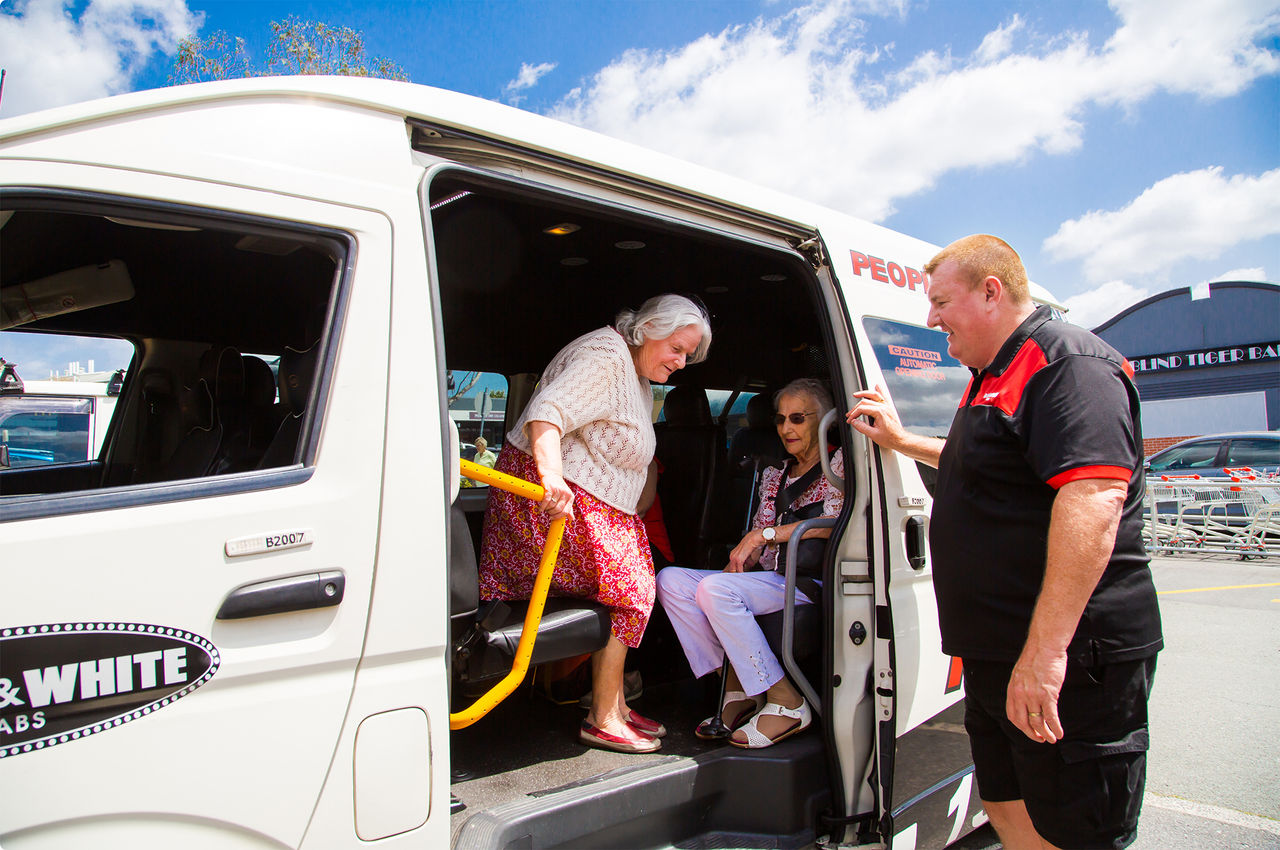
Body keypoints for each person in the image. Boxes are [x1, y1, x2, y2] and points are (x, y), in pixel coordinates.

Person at [846, 235, 1161, 850]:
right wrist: (903, 442)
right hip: (999, 654)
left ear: (992, 292)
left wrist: (1044, 656)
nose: (931, 319)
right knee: (1007, 803)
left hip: (1068, 658)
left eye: (940, 302)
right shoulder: (990, 374)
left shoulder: (1067, 364)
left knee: (1074, 829)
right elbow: (991, 466)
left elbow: (1093, 498)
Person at [479, 293, 712, 754]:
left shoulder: (637, 372)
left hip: (594, 506)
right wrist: (548, 477)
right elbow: (546, 412)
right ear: (647, 330)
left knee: (635, 587)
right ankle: (602, 717)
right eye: (677, 349)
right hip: (546, 508)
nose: (682, 362)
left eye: (688, 354)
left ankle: (617, 706)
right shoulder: (604, 357)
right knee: (630, 589)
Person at [656, 378, 842, 749]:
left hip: (807, 581)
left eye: (798, 419)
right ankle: (739, 687)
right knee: (671, 581)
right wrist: (742, 560)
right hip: (772, 577)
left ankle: (787, 701)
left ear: (823, 421)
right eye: (780, 419)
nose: (786, 428)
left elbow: (838, 522)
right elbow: (758, 533)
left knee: (715, 590)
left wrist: (765, 537)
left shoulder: (839, 464)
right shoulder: (775, 474)